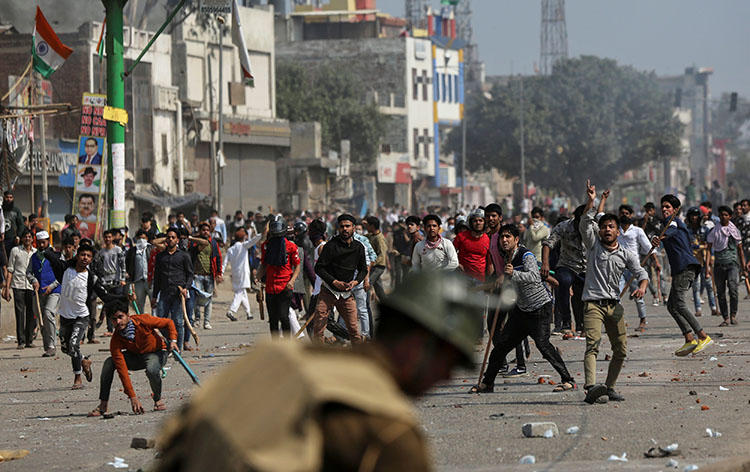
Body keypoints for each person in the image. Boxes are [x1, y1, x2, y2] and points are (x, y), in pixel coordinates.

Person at [154, 271, 482, 471]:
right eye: (448, 362)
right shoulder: (391, 431)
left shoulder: (275, 354)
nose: (448, 378)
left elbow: (179, 436)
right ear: (416, 345)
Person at [471, 224, 576, 393]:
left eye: (508, 237)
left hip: (539, 308)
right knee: (501, 347)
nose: (504, 241)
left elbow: (535, 277)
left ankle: (568, 380)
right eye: (502, 238)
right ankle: (487, 383)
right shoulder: (507, 257)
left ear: (516, 239)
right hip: (521, 310)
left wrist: (514, 274)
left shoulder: (525, 255)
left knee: (543, 345)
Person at [578, 183, 649, 404]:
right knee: (593, 343)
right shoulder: (592, 245)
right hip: (592, 304)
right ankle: (591, 387)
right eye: (604, 227)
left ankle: (609, 387)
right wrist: (591, 201)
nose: (607, 230)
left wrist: (642, 287)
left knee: (620, 350)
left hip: (614, 305)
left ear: (618, 231)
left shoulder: (626, 254)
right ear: (599, 230)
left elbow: (641, 272)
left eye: (611, 226)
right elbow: (584, 223)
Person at [88, 296, 178, 417]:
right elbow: (122, 370)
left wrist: (173, 340)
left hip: (157, 352)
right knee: (109, 362)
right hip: (137, 356)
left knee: (152, 369)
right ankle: (103, 404)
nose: (118, 322)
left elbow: (168, 323)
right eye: (114, 319)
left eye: (121, 317)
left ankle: (157, 398)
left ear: (127, 315)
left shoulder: (143, 320)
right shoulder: (116, 340)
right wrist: (133, 397)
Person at [652, 194, 713, 356]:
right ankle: (689, 338)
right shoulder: (666, 223)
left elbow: (670, 231)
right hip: (680, 269)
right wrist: (656, 238)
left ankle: (703, 336)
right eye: (663, 206)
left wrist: (661, 237)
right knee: (672, 305)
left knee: (679, 304)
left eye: (668, 207)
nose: (664, 209)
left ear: (675, 209)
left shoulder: (672, 222)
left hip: (686, 267)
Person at [43, 242, 109, 389]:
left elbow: (106, 296)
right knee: (66, 349)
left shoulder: (91, 278)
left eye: (88, 256)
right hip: (66, 316)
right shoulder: (65, 269)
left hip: (81, 316)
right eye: (82, 255)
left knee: (73, 346)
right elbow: (51, 257)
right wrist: (49, 249)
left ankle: (77, 378)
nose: (85, 258)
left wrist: (122, 300)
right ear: (77, 255)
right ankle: (84, 360)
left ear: (91, 260)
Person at [312, 214, 367, 344]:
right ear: (338, 228)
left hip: (347, 293)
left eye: (348, 226)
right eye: (342, 226)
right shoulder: (331, 246)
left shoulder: (358, 247)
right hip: (328, 291)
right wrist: (334, 282)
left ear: (353, 228)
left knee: (353, 328)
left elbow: (363, 269)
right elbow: (319, 268)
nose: (345, 229)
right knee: (319, 326)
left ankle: (358, 357)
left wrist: (355, 282)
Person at [542, 205, 587, 335]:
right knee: (564, 282)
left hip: (586, 267)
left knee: (581, 295)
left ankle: (581, 324)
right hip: (567, 264)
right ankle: (566, 321)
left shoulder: (593, 226)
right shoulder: (564, 227)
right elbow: (548, 244)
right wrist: (545, 264)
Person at [153, 228, 194, 350]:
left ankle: (178, 349)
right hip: (164, 293)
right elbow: (157, 277)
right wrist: (154, 296)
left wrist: (186, 288)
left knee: (178, 322)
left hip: (178, 294)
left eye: (173, 237)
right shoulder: (160, 257)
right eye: (168, 237)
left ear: (177, 240)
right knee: (161, 323)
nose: (170, 239)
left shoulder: (184, 256)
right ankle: (170, 343)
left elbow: (190, 274)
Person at [258, 220, 300, 336]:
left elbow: (297, 266)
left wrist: (292, 281)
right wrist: (258, 277)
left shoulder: (291, 246)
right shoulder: (266, 246)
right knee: (273, 320)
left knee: (284, 317)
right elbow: (264, 265)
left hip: (285, 287)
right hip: (270, 287)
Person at [707, 206, 746, 326]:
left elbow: (740, 249)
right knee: (721, 292)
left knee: (733, 290)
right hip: (718, 265)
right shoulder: (714, 231)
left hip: (732, 264)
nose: (723, 217)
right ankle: (726, 318)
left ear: (730, 216)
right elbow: (708, 248)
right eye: (721, 215)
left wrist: (743, 266)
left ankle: (733, 315)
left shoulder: (734, 231)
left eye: (725, 215)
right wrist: (707, 266)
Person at [616, 204, 652, 332]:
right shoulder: (615, 230)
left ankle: (643, 320)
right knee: (616, 295)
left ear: (630, 215)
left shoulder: (637, 231)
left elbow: (648, 247)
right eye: (622, 213)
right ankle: (620, 321)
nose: (624, 215)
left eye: (627, 213)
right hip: (618, 267)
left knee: (638, 295)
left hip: (634, 268)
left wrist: (656, 262)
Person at [25, 231, 60, 357]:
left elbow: (61, 274)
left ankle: (52, 345)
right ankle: (47, 347)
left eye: (43, 242)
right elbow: (28, 272)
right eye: (39, 242)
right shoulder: (34, 257)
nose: (41, 244)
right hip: (38, 292)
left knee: (48, 313)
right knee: (41, 319)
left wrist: (51, 287)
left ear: (48, 241)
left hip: (54, 291)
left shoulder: (55, 255)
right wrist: (33, 281)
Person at [187, 222, 224, 330]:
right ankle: (197, 319)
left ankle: (206, 322)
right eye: (203, 230)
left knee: (209, 299)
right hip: (197, 275)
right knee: (197, 299)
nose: (206, 232)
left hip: (209, 275)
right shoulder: (194, 243)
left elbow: (218, 258)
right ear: (200, 231)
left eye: (207, 230)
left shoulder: (213, 243)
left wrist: (219, 273)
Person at [4, 230, 37, 349]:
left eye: (29, 237)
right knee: (20, 313)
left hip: (31, 286)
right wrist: (7, 288)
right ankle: (21, 341)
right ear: (22, 239)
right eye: (25, 237)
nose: (27, 239)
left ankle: (29, 340)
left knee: (31, 313)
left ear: (32, 239)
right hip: (18, 285)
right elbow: (10, 269)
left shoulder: (36, 253)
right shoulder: (15, 251)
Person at [92, 229, 127, 336]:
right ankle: (110, 328)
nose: (107, 239)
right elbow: (98, 267)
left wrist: (122, 279)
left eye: (109, 237)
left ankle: (122, 325)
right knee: (108, 306)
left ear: (112, 238)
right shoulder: (101, 253)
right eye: (106, 237)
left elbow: (122, 265)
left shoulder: (118, 250)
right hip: (105, 283)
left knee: (119, 305)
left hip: (117, 282)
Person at [223, 227, 263, 322]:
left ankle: (248, 313)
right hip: (243, 274)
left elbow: (224, 263)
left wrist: (221, 273)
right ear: (244, 237)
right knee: (239, 293)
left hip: (235, 274)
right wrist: (262, 234)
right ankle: (231, 311)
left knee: (243, 292)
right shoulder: (244, 246)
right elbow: (254, 240)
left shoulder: (230, 249)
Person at [685, 207, 718, 317]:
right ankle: (698, 308)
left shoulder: (705, 230)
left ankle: (713, 307)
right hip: (693, 261)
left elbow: (710, 246)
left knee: (709, 284)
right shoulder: (687, 231)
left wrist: (711, 257)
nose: (694, 218)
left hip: (705, 259)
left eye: (696, 216)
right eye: (692, 216)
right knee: (696, 286)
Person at [453, 209, 490, 283]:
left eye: (480, 220)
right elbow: (451, 253)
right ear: (471, 223)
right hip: (462, 278)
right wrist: (457, 264)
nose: (478, 223)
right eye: (475, 221)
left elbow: (490, 263)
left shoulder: (488, 239)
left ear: (484, 223)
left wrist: (489, 281)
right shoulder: (461, 236)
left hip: (480, 280)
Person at [3, 190, 25, 256]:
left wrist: (18, 236)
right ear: (4, 198)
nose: (9, 199)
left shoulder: (16, 210)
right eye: (7, 197)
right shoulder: (1, 209)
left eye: (10, 197)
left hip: (12, 239)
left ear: (13, 198)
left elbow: (21, 224)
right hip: (2, 239)